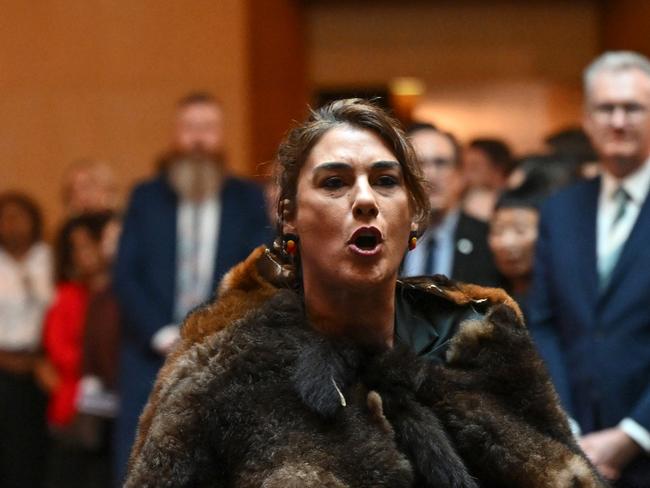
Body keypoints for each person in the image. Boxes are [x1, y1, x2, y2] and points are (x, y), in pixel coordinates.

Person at [125, 99, 605, 487]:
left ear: (414, 214)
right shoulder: (222, 365)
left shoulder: (479, 338)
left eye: (386, 181)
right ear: (289, 215)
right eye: (334, 182)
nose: (365, 200)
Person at [113, 91, 272, 483]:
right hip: (150, 358)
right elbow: (125, 274)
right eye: (189, 128)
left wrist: (211, 332)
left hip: (224, 357)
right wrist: (160, 333)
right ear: (175, 136)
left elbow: (258, 274)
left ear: (221, 136)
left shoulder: (247, 199)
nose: (198, 140)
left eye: (208, 128)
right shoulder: (146, 197)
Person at [530, 51, 650, 486]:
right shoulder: (560, 211)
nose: (618, 121)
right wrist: (569, 426)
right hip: (574, 447)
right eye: (606, 108)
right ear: (587, 119)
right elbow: (543, 324)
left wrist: (632, 434)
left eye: (633, 108)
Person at [41, 212, 115, 488]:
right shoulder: (68, 295)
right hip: (75, 411)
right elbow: (58, 350)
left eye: (87, 245)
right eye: (74, 248)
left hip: (120, 411)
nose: (80, 255)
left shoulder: (125, 294)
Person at [400, 123, 502, 287]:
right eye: (418, 164)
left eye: (440, 163)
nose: (430, 175)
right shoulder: (389, 238)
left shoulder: (487, 239)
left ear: (459, 174)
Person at [0, 191, 52, 488]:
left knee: (32, 450)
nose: (11, 224)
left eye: (18, 216)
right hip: (3, 364)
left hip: (42, 367)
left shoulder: (49, 258)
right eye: (4, 218)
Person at [462, 137, 515, 222]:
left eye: (474, 167)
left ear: (498, 168)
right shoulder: (465, 198)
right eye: (464, 166)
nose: (466, 173)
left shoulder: (516, 202)